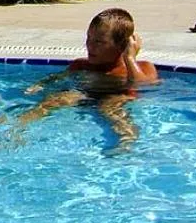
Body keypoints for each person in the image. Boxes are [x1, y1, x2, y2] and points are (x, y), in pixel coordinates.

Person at [17, 8, 159, 149]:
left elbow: (141, 85)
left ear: (122, 45)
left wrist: (129, 58)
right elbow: (57, 77)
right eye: (88, 38)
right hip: (83, 94)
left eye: (99, 42)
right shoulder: (81, 65)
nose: (89, 46)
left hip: (116, 97)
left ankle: (126, 142)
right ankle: (18, 127)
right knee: (60, 97)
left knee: (110, 106)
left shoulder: (144, 67)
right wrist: (40, 85)